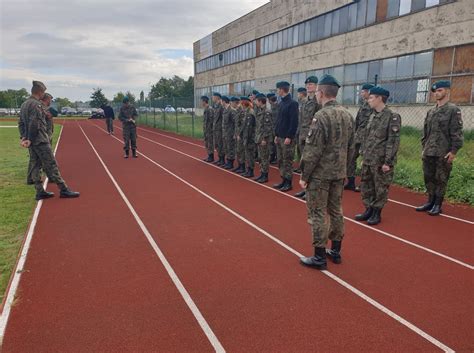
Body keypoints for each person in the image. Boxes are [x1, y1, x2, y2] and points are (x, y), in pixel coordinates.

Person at [299, 75, 354, 270]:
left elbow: (313, 150)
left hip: (320, 175)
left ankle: (319, 257)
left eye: (316, 92)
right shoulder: (347, 115)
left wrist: (305, 176)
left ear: (321, 93)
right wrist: (347, 170)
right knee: (336, 210)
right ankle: (336, 251)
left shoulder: (321, 116)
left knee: (318, 213)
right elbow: (351, 147)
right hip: (338, 173)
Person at [19, 81, 79, 200]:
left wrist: (24, 137)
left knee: (35, 165)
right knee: (51, 164)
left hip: (32, 141)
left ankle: (39, 191)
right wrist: (30, 138)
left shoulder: (24, 104)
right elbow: (34, 123)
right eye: (43, 92)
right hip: (40, 140)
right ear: (39, 91)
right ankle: (63, 189)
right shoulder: (36, 104)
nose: (44, 94)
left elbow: (21, 123)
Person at [416, 80, 463, 216]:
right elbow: (425, 133)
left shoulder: (453, 110)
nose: (437, 93)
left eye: (440, 90)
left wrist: (453, 152)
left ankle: (437, 204)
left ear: (447, 91)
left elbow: (457, 133)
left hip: (443, 152)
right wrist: (424, 148)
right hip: (429, 151)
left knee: (441, 178)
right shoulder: (431, 111)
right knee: (428, 177)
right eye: (435, 91)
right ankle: (430, 201)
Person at [355, 87, 401, 225]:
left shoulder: (392, 117)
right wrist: (363, 156)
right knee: (367, 186)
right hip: (369, 158)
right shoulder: (372, 115)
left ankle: (377, 212)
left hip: (381, 160)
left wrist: (388, 161)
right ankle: (368, 209)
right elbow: (367, 137)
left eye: (371, 97)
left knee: (380, 187)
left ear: (380, 98)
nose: (368, 100)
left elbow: (393, 141)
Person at [294, 76, 321, 199]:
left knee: (311, 163)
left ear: (316, 86)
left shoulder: (318, 101)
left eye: (311, 84)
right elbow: (300, 119)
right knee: (303, 163)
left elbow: (318, 121)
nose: (309, 86)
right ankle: (304, 189)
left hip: (312, 136)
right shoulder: (304, 101)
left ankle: (310, 190)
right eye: (307, 84)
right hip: (302, 135)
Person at [345, 83, 374, 192]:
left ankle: (364, 184)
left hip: (366, 137)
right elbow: (358, 121)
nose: (361, 93)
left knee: (365, 161)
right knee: (351, 158)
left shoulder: (372, 106)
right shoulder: (363, 105)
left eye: (363, 91)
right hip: (358, 136)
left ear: (368, 92)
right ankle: (351, 181)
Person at [273, 81, 298, 192]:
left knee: (287, 160)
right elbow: (279, 121)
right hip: (280, 137)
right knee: (280, 160)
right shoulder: (281, 103)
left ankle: (288, 182)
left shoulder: (292, 103)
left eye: (277, 89)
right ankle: (283, 180)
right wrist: (276, 134)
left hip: (287, 138)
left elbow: (294, 122)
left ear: (282, 90)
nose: (277, 91)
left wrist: (289, 136)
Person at [254, 94, 274, 183]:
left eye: (256, 101)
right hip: (259, 137)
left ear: (260, 101)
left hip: (263, 139)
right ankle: (262, 173)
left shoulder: (266, 111)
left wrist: (264, 139)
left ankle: (265, 176)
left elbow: (267, 127)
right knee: (261, 158)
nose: (255, 102)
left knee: (264, 157)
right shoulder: (260, 110)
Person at [241, 97, 256, 178]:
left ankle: (251, 171)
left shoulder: (250, 113)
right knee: (248, 154)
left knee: (250, 154)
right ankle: (249, 169)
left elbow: (249, 128)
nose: (241, 105)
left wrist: (246, 138)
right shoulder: (247, 112)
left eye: (242, 103)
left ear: (244, 104)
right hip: (247, 137)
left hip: (250, 138)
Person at [294, 87, 308, 174]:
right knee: (299, 150)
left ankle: (304, 168)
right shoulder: (300, 103)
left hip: (304, 131)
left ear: (301, 94)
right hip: (299, 130)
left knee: (303, 151)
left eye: (298, 93)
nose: (297, 95)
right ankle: (300, 167)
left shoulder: (306, 103)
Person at [232, 98, 246, 173]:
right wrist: (235, 133)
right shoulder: (237, 110)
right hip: (237, 134)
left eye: (232, 102)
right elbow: (236, 125)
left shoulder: (241, 111)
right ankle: (239, 165)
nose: (231, 104)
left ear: (236, 103)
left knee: (241, 150)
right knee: (238, 150)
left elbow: (242, 125)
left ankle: (242, 166)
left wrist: (239, 134)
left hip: (241, 135)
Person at [221, 96, 236, 169]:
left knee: (230, 148)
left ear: (224, 101)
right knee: (226, 147)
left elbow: (235, 123)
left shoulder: (231, 110)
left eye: (221, 101)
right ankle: (228, 161)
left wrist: (234, 133)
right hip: (225, 132)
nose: (221, 102)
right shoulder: (225, 110)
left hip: (230, 133)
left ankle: (231, 163)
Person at [212, 92, 225, 166]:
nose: (212, 98)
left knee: (220, 144)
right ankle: (220, 158)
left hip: (220, 129)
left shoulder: (221, 106)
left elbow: (223, 118)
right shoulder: (215, 106)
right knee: (216, 144)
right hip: (215, 128)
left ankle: (222, 159)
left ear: (217, 97)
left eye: (213, 97)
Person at [201, 95, 214, 162]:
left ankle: (211, 156)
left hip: (209, 130)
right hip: (206, 129)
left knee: (210, 143)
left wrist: (211, 129)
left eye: (202, 101)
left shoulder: (210, 109)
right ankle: (209, 155)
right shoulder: (206, 109)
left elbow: (212, 120)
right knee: (207, 143)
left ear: (204, 101)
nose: (201, 103)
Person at [267, 93, 279, 165]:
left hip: (275, 128)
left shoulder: (277, 107)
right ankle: (272, 156)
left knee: (275, 144)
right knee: (271, 143)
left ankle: (275, 157)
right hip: (271, 128)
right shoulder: (272, 107)